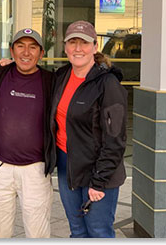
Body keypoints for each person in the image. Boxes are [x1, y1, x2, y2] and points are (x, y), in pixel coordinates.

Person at [50, 20, 127, 238]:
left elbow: (116, 140)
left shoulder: (108, 84)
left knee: (98, 231)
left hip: (99, 169)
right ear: (65, 48)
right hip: (68, 166)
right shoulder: (61, 77)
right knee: (77, 230)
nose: (77, 48)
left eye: (83, 43)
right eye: (72, 42)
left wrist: (99, 181)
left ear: (94, 46)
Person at [0, 28, 56, 238]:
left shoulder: (52, 81)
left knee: (37, 233)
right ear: (11, 51)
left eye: (33, 47)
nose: (26, 52)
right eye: (20, 46)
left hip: (36, 170)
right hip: (0, 167)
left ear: (41, 53)